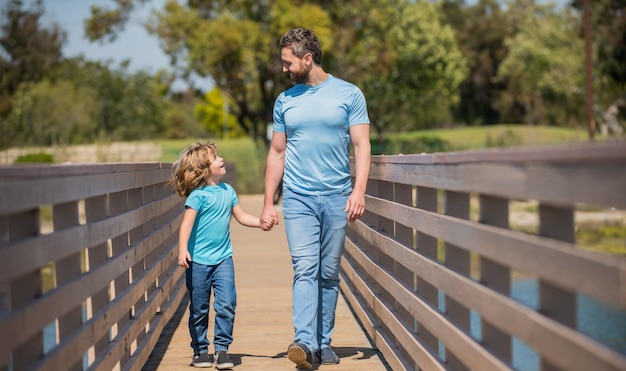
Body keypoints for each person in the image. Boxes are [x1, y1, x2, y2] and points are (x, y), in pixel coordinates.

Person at [260, 27, 371, 369]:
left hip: (338, 196)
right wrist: (268, 201)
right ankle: (304, 342)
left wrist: (358, 191)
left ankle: (323, 344)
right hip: (298, 198)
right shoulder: (285, 101)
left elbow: (362, 145)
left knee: (327, 272)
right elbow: (277, 152)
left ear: (307, 59)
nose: (284, 69)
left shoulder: (349, 95)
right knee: (305, 268)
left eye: (288, 62)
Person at [168, 142, 273, 369]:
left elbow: (242, 216)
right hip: (198, 262)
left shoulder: (228, 191)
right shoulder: (198, 196)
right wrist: (183, 249)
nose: (221, 159)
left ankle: (222, 350)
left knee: (226, 304)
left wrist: (260, 223)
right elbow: (185, 226)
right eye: (215, 158)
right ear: (204, 169)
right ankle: (200, 350)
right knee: (199, 307)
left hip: (223, 258)